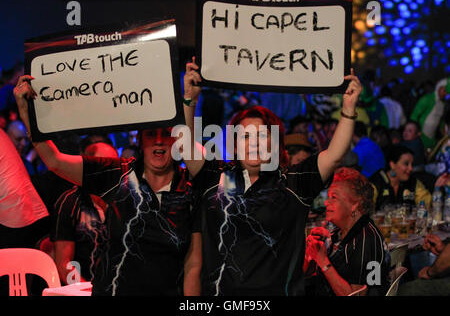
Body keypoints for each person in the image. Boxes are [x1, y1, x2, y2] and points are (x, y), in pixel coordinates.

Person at [182, 58, 362, 295]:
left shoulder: (293, 183)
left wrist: (348, 109)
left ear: (275, 144)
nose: (254, 143)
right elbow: (186, 146)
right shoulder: (215, 179)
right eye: (245, 136)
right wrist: (189, 100)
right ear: (234, 145)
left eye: (262, 135)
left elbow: (335, 155)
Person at [13, 76, 201, 296]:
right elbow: (54, 160)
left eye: (166, 134)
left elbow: (193, 265)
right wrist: (26, 111)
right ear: (140, 141)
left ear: (177, 141)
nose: (159, 141)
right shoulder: (118, 173)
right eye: (151, 134)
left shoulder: (190, 190)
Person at [304, 167, 390, 296]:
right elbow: (307, 274)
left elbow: (357, 295)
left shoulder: (367, 239)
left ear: (354, 204)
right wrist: (312, 252)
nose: (327, 202)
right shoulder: (338, 233)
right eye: (328, 197)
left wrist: (323, 261)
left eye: (334, 197)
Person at [53, 138, 118, 285]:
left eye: (115, 165)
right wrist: (84, 291)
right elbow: (64, 265)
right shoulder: (70, 202)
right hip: (83, 288)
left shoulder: (126, 199)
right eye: (104, 165)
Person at [369, 145, 432, 211]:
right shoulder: (376, 183)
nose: (411, 168)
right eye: (406, 164)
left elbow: (426, 204)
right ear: (392, 165)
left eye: (412, 164)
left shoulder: (413, 182)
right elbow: (366, 213)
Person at [410, 77, 450, 150]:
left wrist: (443, 132)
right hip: (421, 136)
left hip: (432, 138)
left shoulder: (443, 104)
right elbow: (414, 116)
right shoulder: (427, 99)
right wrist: (416, 133)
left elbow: (440, 120)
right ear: (439, 87)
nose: (445, 94)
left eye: (447, 92)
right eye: (444, 90)